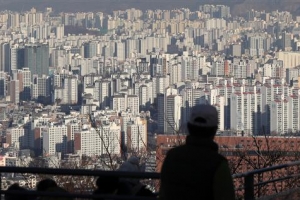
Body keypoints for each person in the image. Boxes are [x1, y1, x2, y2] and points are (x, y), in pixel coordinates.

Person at [159, 104, 235, 200]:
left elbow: (163, 193)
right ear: (214, 130)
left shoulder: (172, 156)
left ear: (189, 127)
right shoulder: (218, 164)